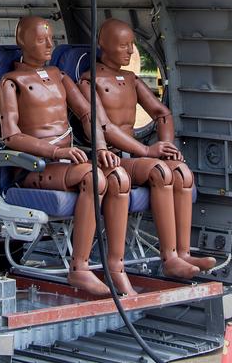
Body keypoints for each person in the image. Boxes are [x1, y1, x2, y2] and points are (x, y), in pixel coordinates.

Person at [0, 15, 136, 299]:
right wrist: (56, 151)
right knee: (94, 178)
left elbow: (88, 113)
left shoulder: (59, 76)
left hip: (66, 163)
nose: (49, 45)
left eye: (51, 39)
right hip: (34, 167)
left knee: (119, 177)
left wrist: (100, 148)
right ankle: (79, 267)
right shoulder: (10, 83)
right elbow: (11, 136)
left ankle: (116, 264)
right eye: (41, 40)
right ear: (22, 42)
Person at [79, 18, 216, 279]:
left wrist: (167, 145)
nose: (131, 51)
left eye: (132, 44)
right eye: (123, 45)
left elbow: (162, 113)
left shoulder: (131, 79)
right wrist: (146, 151)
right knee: (160, 172)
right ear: (104, 45)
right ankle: (169, 258)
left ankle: (183, 252)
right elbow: (105, 127)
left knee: (181, 172)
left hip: (133, 157)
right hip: (110, 159)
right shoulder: (89, 81)